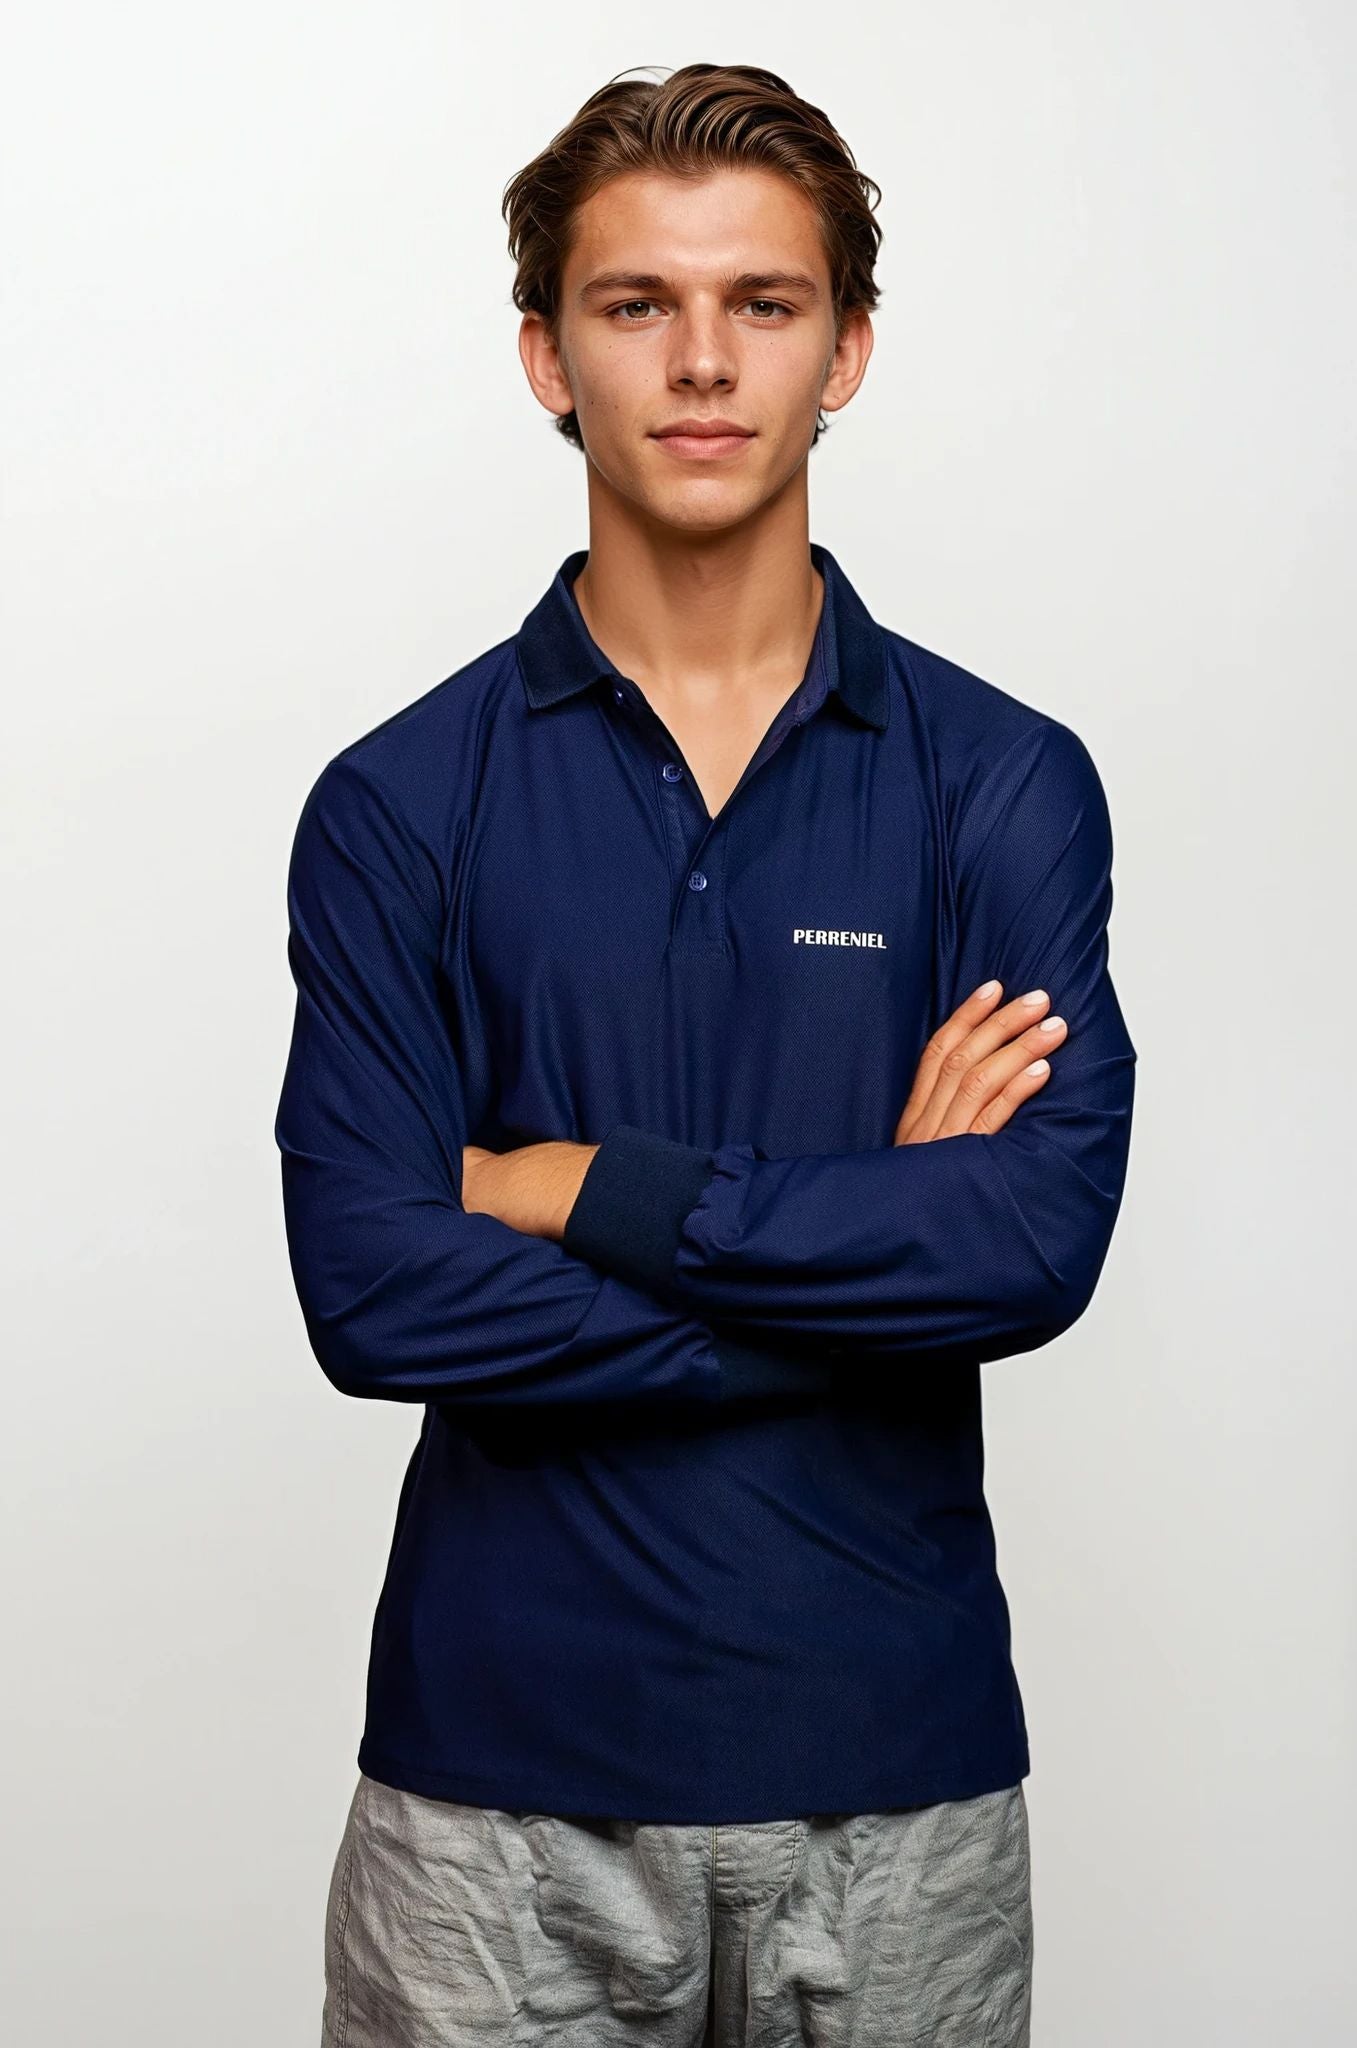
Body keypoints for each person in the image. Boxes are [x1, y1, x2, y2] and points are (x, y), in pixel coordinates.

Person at [275, 59, 1137, 2048]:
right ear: (542, 355)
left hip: (896, 1787)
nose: (700, 362)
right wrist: (873, 1262)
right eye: (633, 303)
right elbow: (374, 1288)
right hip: (494, 1801)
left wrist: (582, 1189)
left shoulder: (999, 785)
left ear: (845, 350)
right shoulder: (401, 804)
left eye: (761, 303)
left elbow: (1028, 1249)